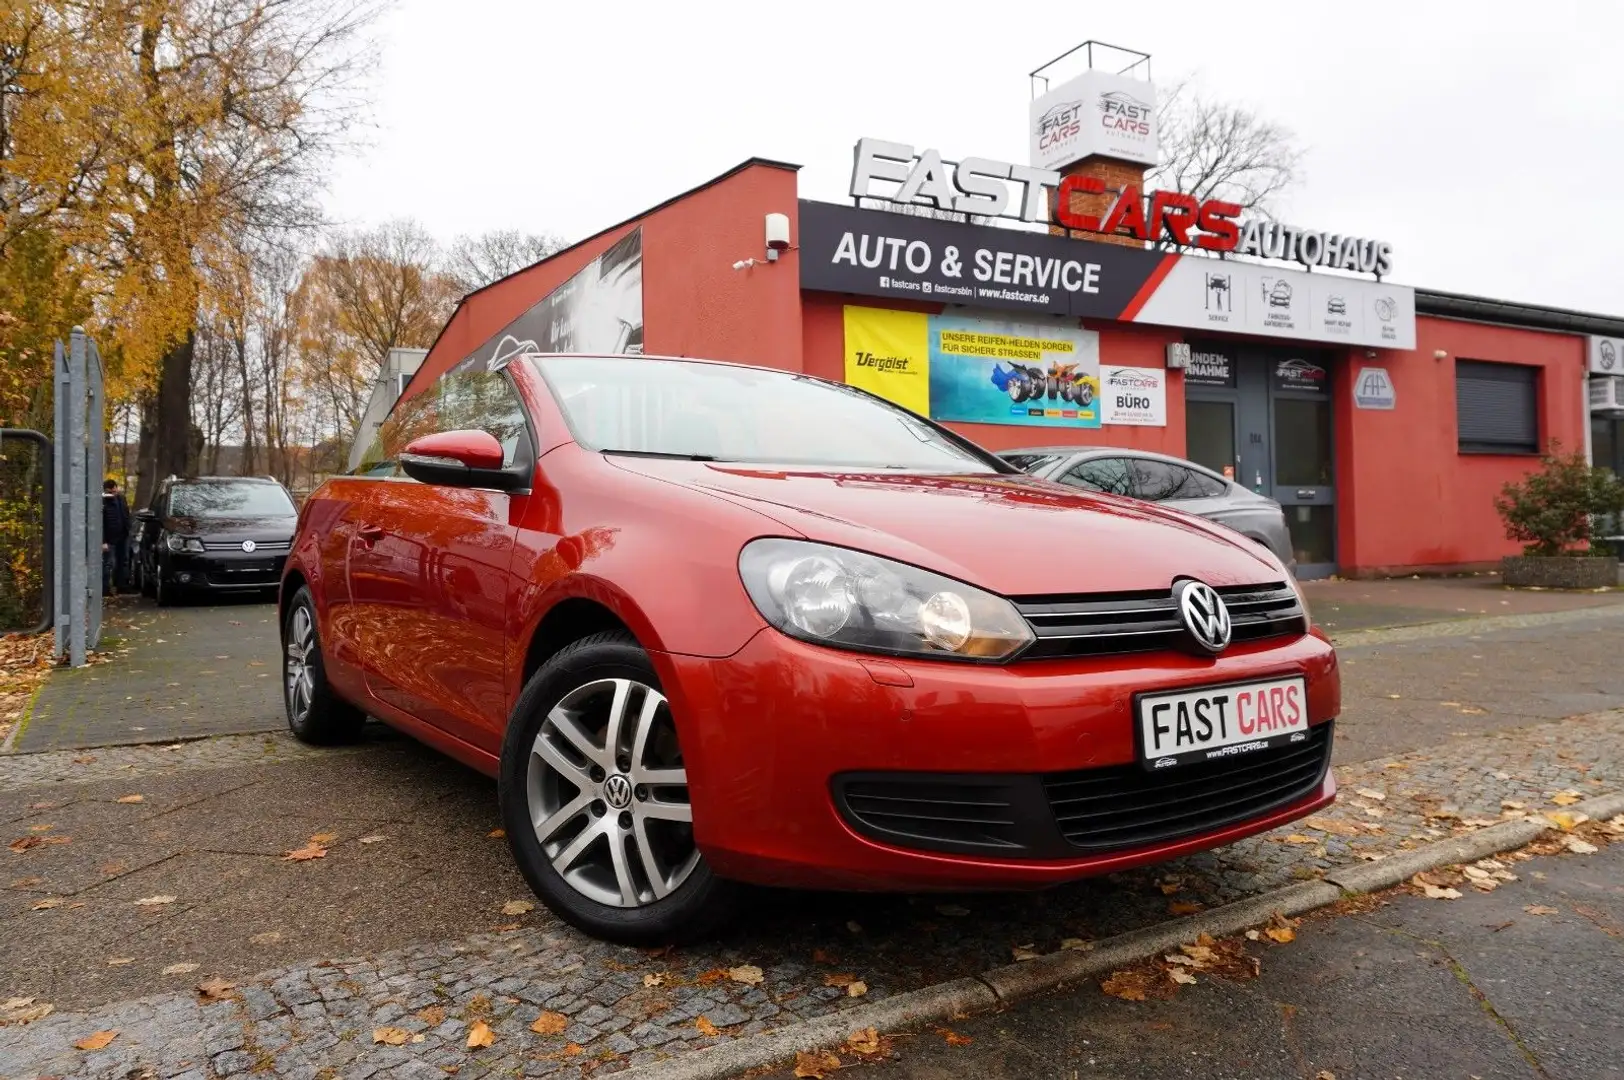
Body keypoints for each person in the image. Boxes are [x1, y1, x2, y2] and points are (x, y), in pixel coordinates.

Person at [102, 478, 131, 596]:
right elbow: (101, 523)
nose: (113, 493)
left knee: (123, 561)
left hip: (123, 535)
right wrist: (103, 541)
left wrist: (127, 528)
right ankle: (105, 588)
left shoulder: (121, 498)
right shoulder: (103, 501)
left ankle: (121, 585)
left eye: (114, 491)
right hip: (109, 537)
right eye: (110, 492)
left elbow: (125, 514)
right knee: (108, 563)